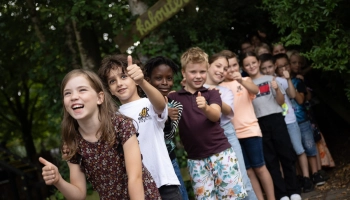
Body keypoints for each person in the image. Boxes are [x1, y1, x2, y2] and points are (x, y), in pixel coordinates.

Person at [39, 69, 160, 199]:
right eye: (67, 93)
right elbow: (79, 195)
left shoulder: (121, 125)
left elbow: (135, 178)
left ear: (99, 97)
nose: (74, 97)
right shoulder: (71, 142)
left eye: (82, 90)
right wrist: (58, 181)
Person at [97, 54, 182, 199]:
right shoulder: (113, 119)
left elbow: (161, 105)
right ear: (109, 90)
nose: (119, 83)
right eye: (112, 81)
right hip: (139, 188)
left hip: (165, 182)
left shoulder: (149, 103)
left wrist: (142, 81)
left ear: (135, 80)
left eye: (124, 76)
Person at [168, 47, 247, 199]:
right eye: (193, 72)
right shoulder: (175, 98)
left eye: (202, 72)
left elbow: (215, 115)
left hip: (221, 154)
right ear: (184, 73)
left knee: (232, 197)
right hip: (195, 160)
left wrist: (205, 107)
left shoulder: (212, 93)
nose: (198, 76)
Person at [242, 52, 301, 200]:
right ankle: (281, 194)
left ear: (258, 63)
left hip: (276, 119)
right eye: (247, 64)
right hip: (259, 122)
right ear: (244, 67)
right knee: (270, 159)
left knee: (286, 155)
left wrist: (275, 88)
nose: (251, 66)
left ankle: (293, 190)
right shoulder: (244, 83)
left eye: (253, 62)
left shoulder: (270, 79)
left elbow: (281, 102)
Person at [220, 50, 275, 200]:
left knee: (260, 167)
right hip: (232, 136)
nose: (231, 69)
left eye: (234, 65)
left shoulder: (246, 80)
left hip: (250, 130)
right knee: (248, 171)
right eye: (227, 67)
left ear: (238, 65)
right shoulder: (220, 87)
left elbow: (255, 90)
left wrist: (241, 81)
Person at [204, 53, 258, 200]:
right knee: (221, 188)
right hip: (206, 139)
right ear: (208, 65)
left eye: (225, 68)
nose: (222, 71)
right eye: (218, 66)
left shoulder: (225, 91)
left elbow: (227, 111)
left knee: (243, 182)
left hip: (227, 133)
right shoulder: (193, 88)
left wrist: (210, 98)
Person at [259, 53, 314, 193]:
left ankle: (306, 178)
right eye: (263, 68)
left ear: (275, 66)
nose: (267, 70)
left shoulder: (280, 80)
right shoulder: (260, 83)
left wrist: (288, 79)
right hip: (276, 122)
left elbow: (292, 95)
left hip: (289, 119)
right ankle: (292, 180)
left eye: (270, 67)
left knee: (298, 148)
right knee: (283, 153)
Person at [143, 56, 189, 200]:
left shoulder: (176, 106)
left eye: (169, 78)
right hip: (146, 165)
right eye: (159, 78)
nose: (164, 83)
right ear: (148, 80)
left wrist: (165, 116)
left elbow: (168, 135)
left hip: (169, 161)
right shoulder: (141, 104)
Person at [282, 51, 327, 187]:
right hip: (289, 121)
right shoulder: (277, 83)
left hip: (302, 119)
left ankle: (315, 173)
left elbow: (301, 99)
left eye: (298, 63)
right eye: (293, 62)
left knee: (309, 146)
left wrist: (290, 83)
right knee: (296, 149)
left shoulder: (298, 81)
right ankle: (302, 176)